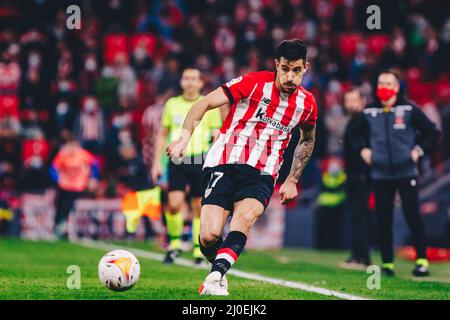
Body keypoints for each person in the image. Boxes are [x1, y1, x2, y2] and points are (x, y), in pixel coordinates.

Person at [166, 39, 317, 295]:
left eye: (297, 70)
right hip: (223, 162)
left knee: (244, 219)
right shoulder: (253, 82)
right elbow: (202, 104)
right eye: (285, 69)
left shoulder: (307, 104)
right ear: (276, 65)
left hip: (262, 172)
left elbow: (308, 139)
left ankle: (215, 278)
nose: (291, 77)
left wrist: (292, 179)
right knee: (208, 237)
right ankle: (219, 267)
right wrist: (183, 139)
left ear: (306, 68)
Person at [354, 69, 441, 277]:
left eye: (389, 83)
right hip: (381, 174)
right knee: (383, 218)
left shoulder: (409, 109)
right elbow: (353, 135)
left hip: (406, 172)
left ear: (397, 86)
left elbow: (433, 133)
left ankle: (421, 261)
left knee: (413, 215)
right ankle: (387, 263)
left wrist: (418, 151)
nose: (384, 87)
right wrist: (362, 149)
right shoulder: (368, 111)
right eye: (381, 83)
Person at [152, 67, 223, 265]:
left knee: (198, 207)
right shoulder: (172, 104)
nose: (190, 82)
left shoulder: (208, 105)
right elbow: (162, 134)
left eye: (194, 79)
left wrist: (214, 139)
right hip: (177, 160)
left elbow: (216, 132)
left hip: (200, 160)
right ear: (181, 82)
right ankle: (174, 245)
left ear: (201, 83)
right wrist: (157, 163)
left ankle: (197, 251)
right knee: (174, 204)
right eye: (186, 78)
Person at [340, 87, 373, 269]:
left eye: (353, 100)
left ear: (362, 102)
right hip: (353, 175)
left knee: (360, 216)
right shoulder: (352, 121)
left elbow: (363, 145)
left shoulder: (363, 120)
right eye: (347, 100)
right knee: (356, 216)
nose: (350, 104)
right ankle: (357, 254)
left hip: (361, 176)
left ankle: (362, 257)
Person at [50, 139, 100, 239]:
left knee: (75, 207)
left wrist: (93, 179)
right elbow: (53, 168)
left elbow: (95, 165)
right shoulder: (63, 155)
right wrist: (58, 179)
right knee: (62, 207)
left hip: (80, 187)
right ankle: (61, 228)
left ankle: (85, 229)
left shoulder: (83, 154)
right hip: (65, 187)